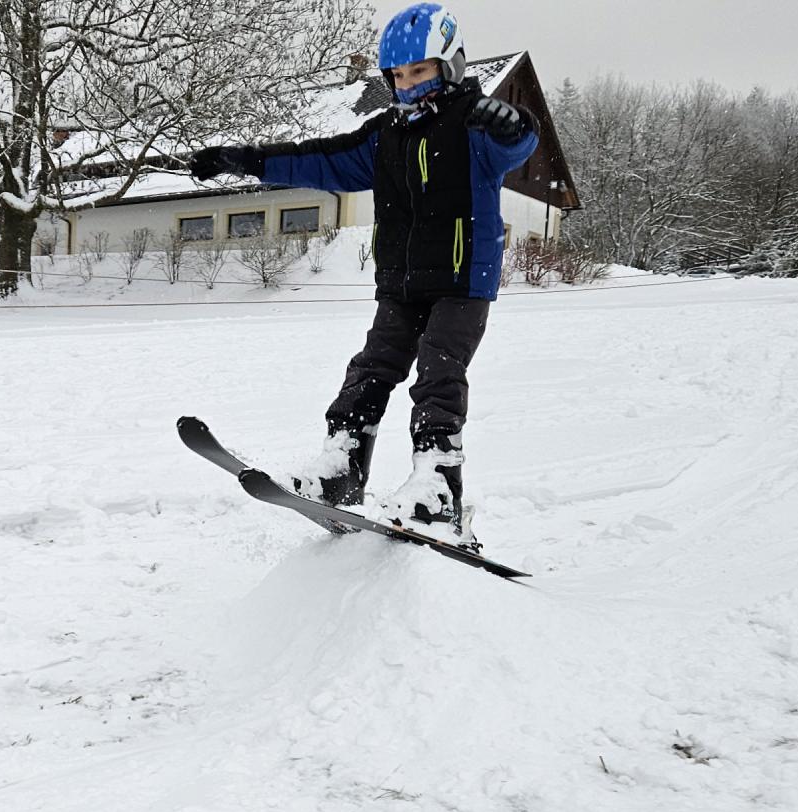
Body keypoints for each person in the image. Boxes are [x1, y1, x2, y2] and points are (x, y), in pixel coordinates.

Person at [187, 3, 537, 547]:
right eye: (396, 76)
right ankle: (340, 472)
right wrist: (246, 160)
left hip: (463, 281)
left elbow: (517, 143)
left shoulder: (475, 125)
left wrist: (516, 124)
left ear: (450, 65)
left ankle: (436, 492)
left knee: (439, 377)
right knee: (369, 370)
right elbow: (317, 159)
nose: (406, 85)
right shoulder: (384, 136)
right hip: (399, 283)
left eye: (418, 71)